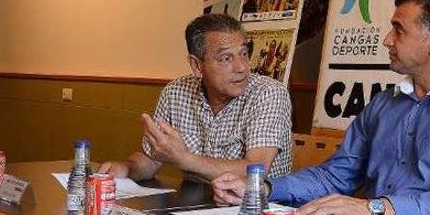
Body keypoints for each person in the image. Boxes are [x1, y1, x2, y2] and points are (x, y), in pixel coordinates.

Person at [212, 0, 430, 215]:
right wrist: (263, 189)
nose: (386, 40)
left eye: (398, 30)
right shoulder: (384, 104)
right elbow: (334, 176)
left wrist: (374, 209)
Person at [99, 14, 293, 181]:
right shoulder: (176, 92)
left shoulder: (268, 92)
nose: (241, 67)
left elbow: (256, 170)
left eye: (244, 53)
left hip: (258, 211)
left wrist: (184, 159)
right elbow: (151, 158)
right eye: (226, 58)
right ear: (197, 66)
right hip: (196, 207)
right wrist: (127, 168)